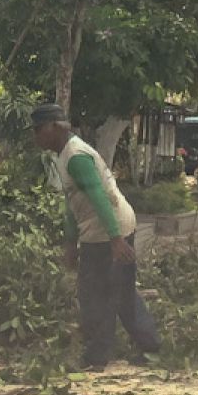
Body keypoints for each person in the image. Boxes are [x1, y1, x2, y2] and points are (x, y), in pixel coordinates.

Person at [30, 102, 160, 369]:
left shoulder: (76, 156)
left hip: (107, 231)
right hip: (104, 229)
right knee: (121, 293)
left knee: (94, 295)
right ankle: (152, 347)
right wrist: (70, 243)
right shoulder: (65, 154)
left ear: (55, 127)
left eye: (38, 129)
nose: (36, 136)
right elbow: (72, 204)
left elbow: (98, 196)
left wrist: (115, 240)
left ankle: (97, 356)